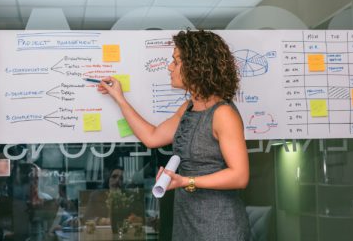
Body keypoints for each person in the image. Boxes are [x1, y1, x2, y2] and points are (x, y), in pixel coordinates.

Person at [98, 29, 250, 240]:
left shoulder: (223, 113)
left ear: (197, 66)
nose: (170, 67)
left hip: (219, 225)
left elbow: (239, 176)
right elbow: (152, 137)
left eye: (176, 62)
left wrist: (186, 181)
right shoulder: (189, 107)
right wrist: (120, 99)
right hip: (187, 221)